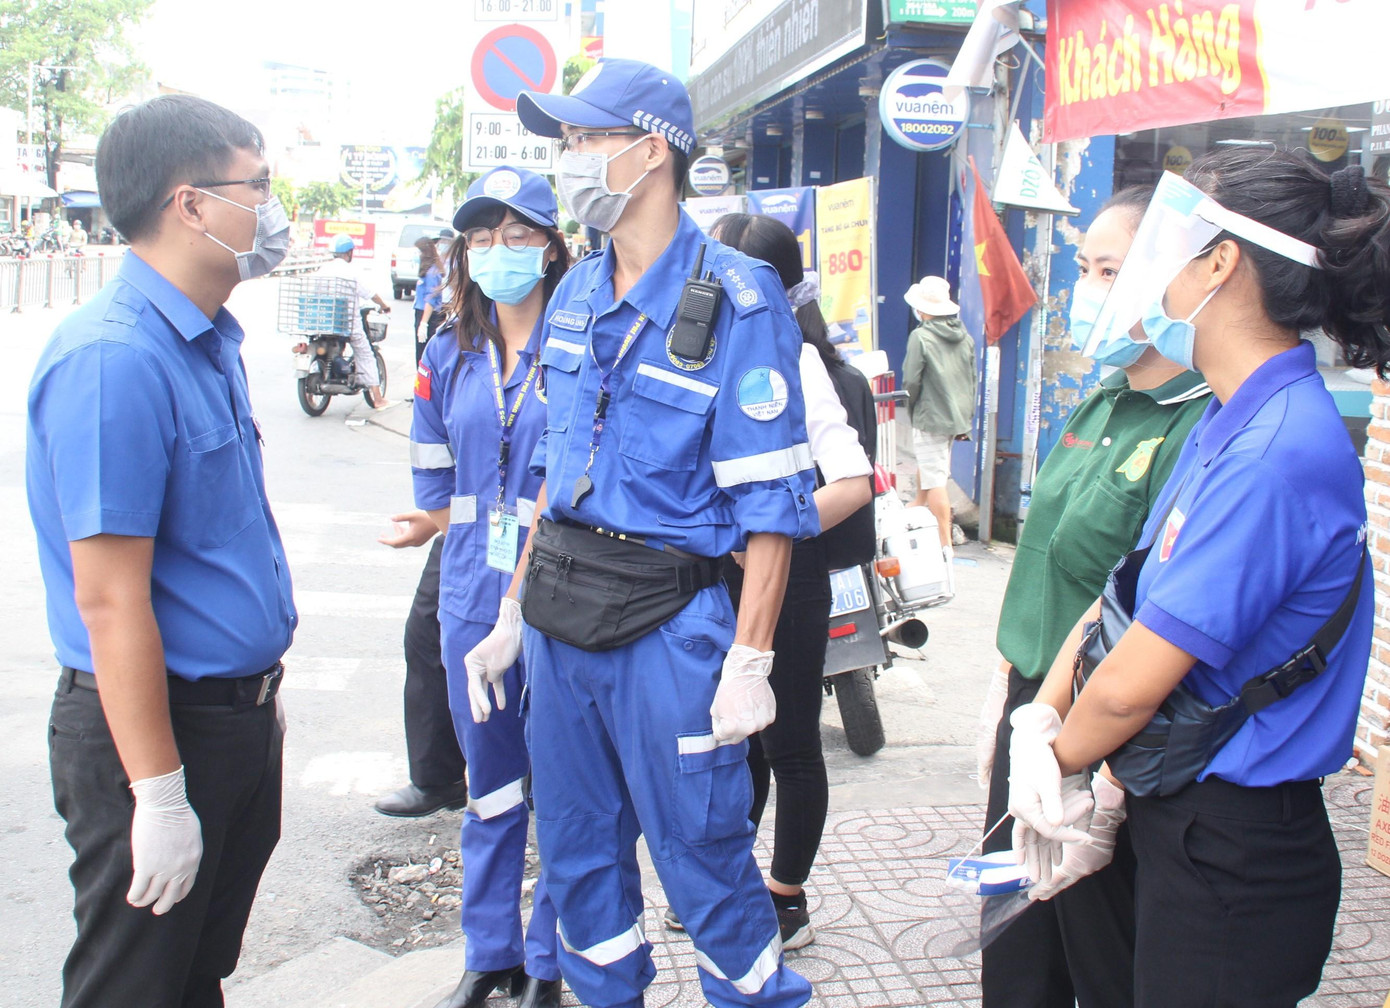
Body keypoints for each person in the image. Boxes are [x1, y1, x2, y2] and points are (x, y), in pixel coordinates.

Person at [466, 58, 817, 1008]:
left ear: (648, 150)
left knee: (704, 866)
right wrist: (509, 610)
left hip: (672, 632)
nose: (571, 161)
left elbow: (771, 508)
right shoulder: (577, 289)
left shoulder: (738, 299)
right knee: (579, 862)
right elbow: (550, 471)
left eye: (584, 139)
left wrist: (749, 661)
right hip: (560, 615)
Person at [1008, 148, 1385, 1007]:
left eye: (1167, 241)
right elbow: (1123, 598)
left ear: (1220, 262)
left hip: (1237, 855)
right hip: (1178, 814)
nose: (1141, 272)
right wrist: (1045, 713)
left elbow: (1131, 690)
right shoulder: (1230, 415)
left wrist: (1053, 764)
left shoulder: (1278, 451)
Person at [26, 94, 296, 1008]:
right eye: (257, 184)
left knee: (191, 980)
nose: (271, 206)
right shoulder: (116, 359)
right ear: (191, 204)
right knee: (131, 989)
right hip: (154, 733)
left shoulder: (206, 340)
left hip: (230, 724)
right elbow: (110, 599)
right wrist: (158, 792)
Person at [975, 185, 1211, 1008]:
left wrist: (1105, 790)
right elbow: (1048, 558)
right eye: (1082, 267)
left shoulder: (1199, 425)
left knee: (1098, 959)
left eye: (1109, 270)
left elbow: (1154, 607)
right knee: (1012, 950)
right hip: (1035, 712)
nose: (1087, 288)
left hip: (1107, 734)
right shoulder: (1104, 397)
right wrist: (1005, 690)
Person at [683, 211, 871, 950]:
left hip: (788, 584)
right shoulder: (690, 354)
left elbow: (854, 482)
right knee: (731, 742)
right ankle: (728, 883)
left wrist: (764, 531)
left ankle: (785, 897)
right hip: (707, 588)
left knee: (789, 744)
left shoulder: (796, 361)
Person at [412, 165, 570, 1008]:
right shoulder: (448, 352)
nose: (495, 252)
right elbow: (436, 486)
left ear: (549, 247)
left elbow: (583, 474)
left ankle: (549, 961)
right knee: (490, 788)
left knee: (563, 791)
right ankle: (490, 952)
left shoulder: (583, 343)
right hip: (471, 590)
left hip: (560, 597)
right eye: (479, 237)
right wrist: (434, 525)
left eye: (514, 235)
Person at [373, 520, 469, 817]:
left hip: (527, 522)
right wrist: (437, 515)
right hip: (469, 521)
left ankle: (533, 781)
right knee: (428, 633)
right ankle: (438, 778)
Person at [901, 275, 975, 551]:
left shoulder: (920, 337)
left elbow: (911, 380)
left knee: (936, 480)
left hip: (930, 416)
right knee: (933, 465)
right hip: (955, 417)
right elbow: (972, 380)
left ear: (922, 309)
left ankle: (944, 540)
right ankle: (919, 501)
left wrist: (912, 407)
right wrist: (964, 420)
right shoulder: (964, 337)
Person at [317, 233, 392, 408]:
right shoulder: (350, 271)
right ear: (349, 253)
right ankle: (378, 398)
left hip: (322, 322)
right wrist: (384, 305)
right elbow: (370, 293)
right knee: (365, 353)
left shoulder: (323, 269)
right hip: (347, 322)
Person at [415, 236, 445, 364]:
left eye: (419, 251)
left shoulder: (432, 272)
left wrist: (424, 323)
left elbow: (430, 299)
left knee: (424, 354)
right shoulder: (428, 270)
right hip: (422, 313)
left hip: (427, 315)